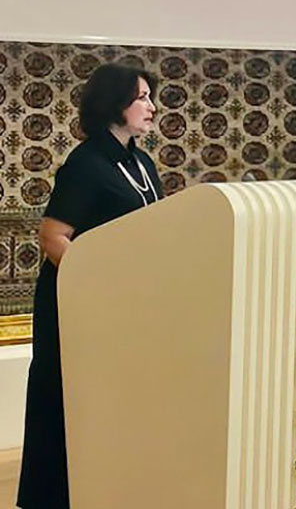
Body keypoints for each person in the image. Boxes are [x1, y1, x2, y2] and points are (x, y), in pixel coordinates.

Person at [17, 63, 163, 509]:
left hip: (126, 304)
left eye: (150, 97)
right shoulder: (86, 163)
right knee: (69, 397)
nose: (152, 107)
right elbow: (53, 237)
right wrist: (99, 284)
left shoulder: (140, 162)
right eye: (142, 97)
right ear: (114, 103)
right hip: (82, 304)